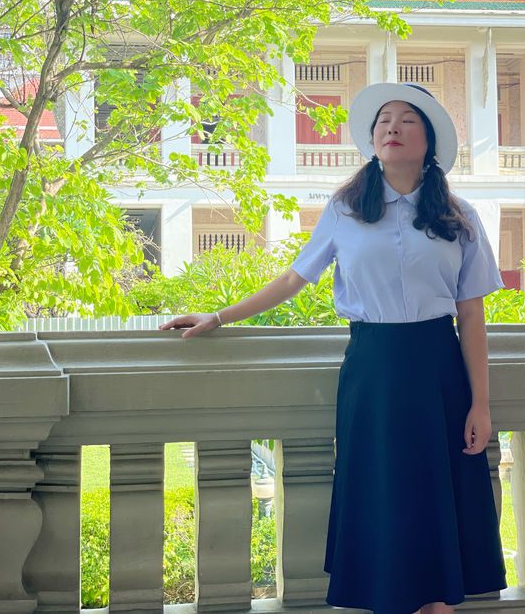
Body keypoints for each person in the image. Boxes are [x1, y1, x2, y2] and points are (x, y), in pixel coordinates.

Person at [160, 82, 507, 614]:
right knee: (381, 489)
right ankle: (391, 599)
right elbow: (294, 278)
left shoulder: (458, 218)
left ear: (429, 141)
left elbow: (472, 315)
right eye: (383, 120)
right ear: (372, 139)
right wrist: (220, 315)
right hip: (371, 367)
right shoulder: (346, 210)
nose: (392, 127)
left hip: (438, 370)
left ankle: (438, 604)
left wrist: (480, 405)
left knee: (437, 490)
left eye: (407, 120)